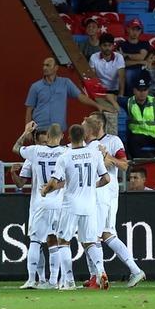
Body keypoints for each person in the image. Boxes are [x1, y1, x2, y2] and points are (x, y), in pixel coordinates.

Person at [41, 124, 110, 291]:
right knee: (90, 242)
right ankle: (101, 271)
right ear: (84, 136)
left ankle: (69, 281)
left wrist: (44, 191)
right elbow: (106, 179)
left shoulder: (65, 157)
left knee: (63, 241)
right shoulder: (95, 154)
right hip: (89, 205)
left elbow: (54, 182)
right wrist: (92, 186)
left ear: (69, 137)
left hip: (71, 205)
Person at [84, 112, 145, 288]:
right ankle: (130, 271)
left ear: (99, 124)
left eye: (90, 121)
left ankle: (99, 275)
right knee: (105, 234)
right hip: (95, 193)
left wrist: (107, 157)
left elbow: (124, 165)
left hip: (105, 192)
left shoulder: (113, 141)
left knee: (95, 234)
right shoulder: (88, 144)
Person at [12, 122, 67, 289]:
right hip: (59, 204)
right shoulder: (66, 152)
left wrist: (26, 132)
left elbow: (15, 148)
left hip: (40, 203)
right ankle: (53, 282)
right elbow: (70, 178)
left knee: (35, 241)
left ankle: (31, 279)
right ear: (62, 136)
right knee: (55, 241)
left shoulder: (35, 151)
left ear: (48, 136)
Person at [25, 57, 106, 131]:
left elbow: (80, 97)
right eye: (44, 65)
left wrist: (97, 105)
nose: (44, 68)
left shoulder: (65, 82)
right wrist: (27, 131)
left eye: (48, 65)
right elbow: (29, 110)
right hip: (40, 130)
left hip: (58, 130)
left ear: (56, 68)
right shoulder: (35, 86)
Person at [120, 77, 155, 157]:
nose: (142, 93)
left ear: (148, 91)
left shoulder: (154, 102)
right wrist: (115, 105)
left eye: (144, 90)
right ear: (134, 90)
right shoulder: (129, 101)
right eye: (139, 90)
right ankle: (144, 161)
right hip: (139, 134)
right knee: (131, 144)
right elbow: (110, 96)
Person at [119, 18, 152, 91]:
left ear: (141, 31)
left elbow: (141, 57)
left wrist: (126, 55)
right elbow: (123, 63)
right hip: (128, 69)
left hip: (144, 69)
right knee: (129, 73)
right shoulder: (122, 45)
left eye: (138, 30)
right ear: (128, 29)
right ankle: (130, 96)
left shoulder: (144, 44)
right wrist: (141, 62)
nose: (135, 32)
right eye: (133, 29)